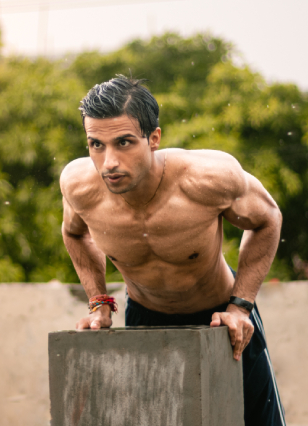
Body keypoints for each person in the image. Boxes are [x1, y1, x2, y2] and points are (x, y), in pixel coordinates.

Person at [60, 75, 286, 426]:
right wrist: (99, 303)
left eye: (123, 142)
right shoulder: (79, 187)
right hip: (145, 319)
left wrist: (241, 305)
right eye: (96, 145)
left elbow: (268, 218)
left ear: (154, 138)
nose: (109, 163)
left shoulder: (207, 179)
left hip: (222, 321)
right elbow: (74, 234)